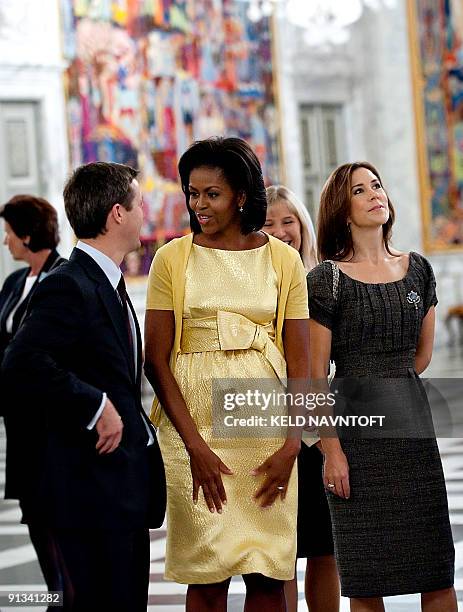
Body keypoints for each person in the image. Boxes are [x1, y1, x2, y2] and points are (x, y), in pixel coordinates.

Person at [144, 137, 316, 611]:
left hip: (267, 433)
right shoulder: (171, 258)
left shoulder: (283, 259)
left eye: (211, 193)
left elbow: (301, 363)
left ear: (241, 194)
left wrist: (291, 445)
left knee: (266, 576)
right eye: (192, 193)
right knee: (206, 575)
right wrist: (195, 446)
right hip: (191, 433)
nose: (198, 204)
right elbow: (155, 360)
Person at [2, 162, 166, 612]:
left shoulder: (106, 282)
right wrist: (95, 404)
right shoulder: (69, 285)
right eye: (138, 202)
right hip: (88, 493)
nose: (144, 210)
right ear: (117, 213)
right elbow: (21, 361)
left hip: (119, 489)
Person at [307, 161, 456, 611]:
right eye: (360, 190)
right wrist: (332, 453)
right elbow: (313, 378)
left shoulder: (419, 270)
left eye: (377, 185)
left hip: (413, 434)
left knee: (436, 572)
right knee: (367, 578)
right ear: (342, 208)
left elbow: (422, 356)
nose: (375, 194)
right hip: (356, 442)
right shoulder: (326, 280)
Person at [264, 185, 339, 612]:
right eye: (269, 223)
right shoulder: (255, 282)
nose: (279, 230)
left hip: (319, 420)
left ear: (303, 225)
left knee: (326, 545)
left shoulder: (325, 278)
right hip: (270, 420)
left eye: (287, 221)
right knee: (282, 549)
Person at [0, 195, 67, 605]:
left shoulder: (63, 276)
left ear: (27, 234)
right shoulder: (13, 283)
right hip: (20, 419)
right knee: (35, 514)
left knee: (56, 511)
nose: (5, 242)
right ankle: (53, 595)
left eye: (8, 233)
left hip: (53, 421)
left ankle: (64, 595)